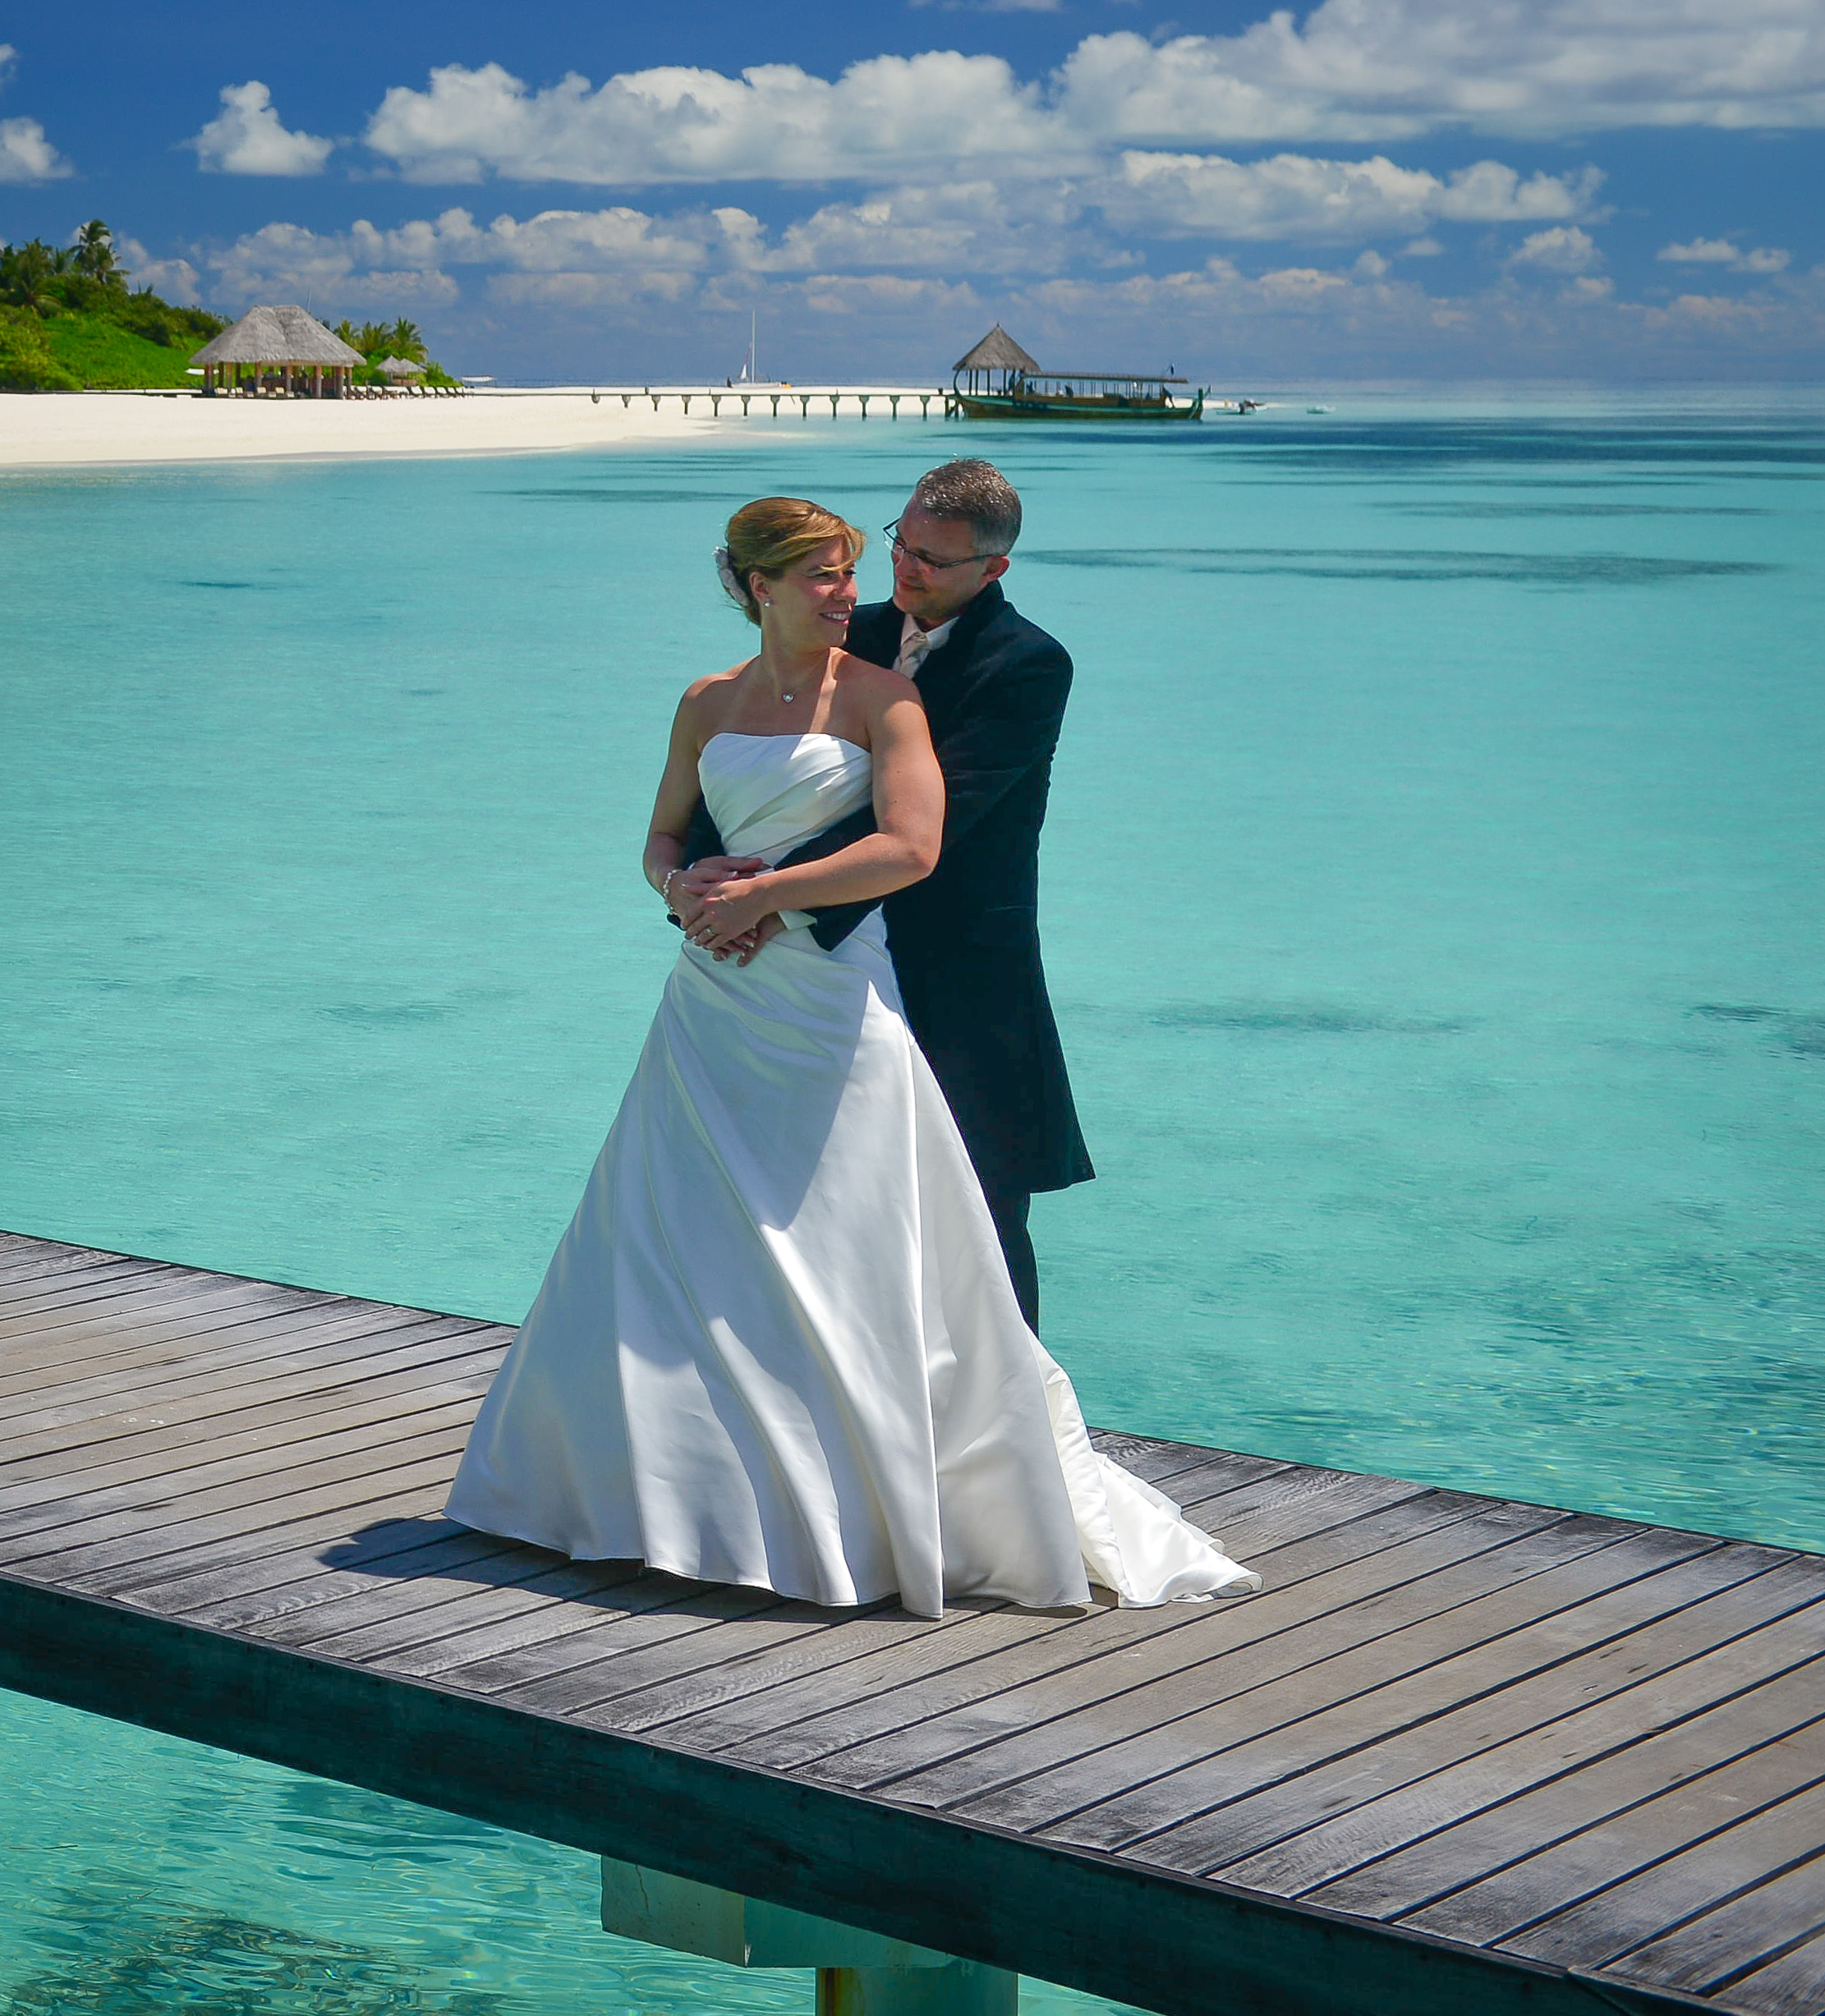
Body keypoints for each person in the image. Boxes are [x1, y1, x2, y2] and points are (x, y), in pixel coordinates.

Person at [441, 496, 1249, 1615]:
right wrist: (680, 889)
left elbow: (917, 842)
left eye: (877, 567)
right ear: (754, 582)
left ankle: (900, 1492)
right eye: (837, 569)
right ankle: (652, 1498)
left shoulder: (917, 687)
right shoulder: (711, 697)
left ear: (986, 565)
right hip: (715, 1000)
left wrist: (760, 895)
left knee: (877, 1234)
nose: (864, 587)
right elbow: (667, 832)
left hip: (857, 988)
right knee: (676, 1232)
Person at [672, 457, 1083, 1326]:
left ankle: (1012, 1434)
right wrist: (704, 881)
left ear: (993, 569)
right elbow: (756, 759)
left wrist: (766, 896)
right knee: (814, 1199)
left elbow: (946, 817)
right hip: (808, 977)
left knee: (979, 1209)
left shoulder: (1028, 664)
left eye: (934, 559)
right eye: (902, 543)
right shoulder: (838, 627)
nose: (905, 569)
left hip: (959, 973)